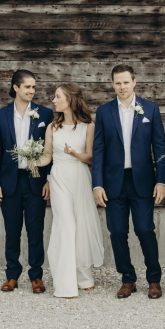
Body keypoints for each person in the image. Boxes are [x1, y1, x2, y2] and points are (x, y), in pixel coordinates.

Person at [92, 65, 165, 299]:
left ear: (134, 82)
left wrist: (161, 181)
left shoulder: (150, 109)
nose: (122, 87)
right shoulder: (104, 112)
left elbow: (160, 147)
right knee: (117, 232)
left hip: (142, 181)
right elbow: (98, 150)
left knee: (145, 229)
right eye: (118, 83)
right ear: (112, 84)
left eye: (126, 82)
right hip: (114, 182)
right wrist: (97, 184)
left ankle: (154, 279)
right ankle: (127, 278)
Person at [37, 83, 104, 298]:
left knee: (81, 225)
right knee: (65, 225)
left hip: (80, 176)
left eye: (58, 97)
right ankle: (65, 281)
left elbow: (90, 157)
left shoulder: (88, 126)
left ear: (70, 99)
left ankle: (83, 276)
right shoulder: (52, 127)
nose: (54, 100)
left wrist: (74, 153)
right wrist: (31, 159)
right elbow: (47, 156)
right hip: (59, 177)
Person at [0, 69, 53, 294]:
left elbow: (50, 150)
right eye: (27, 86)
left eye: (33, 87)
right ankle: (12, 275)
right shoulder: (1, 115)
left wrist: (49, 180)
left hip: (35, 180)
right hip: (10, 181)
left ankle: (36, 276)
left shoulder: (45, 114)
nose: (31, 91)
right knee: (12, 230)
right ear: (15, 87)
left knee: (36, 230)